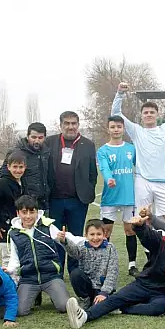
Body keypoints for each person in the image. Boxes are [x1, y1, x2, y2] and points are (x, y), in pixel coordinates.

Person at [66, 206, 165, 327]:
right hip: (144, 283)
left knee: (158, 308)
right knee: (117, 298)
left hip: (164, 292)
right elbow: (148, 237)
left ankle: (122, 309)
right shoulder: (163, 237)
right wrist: (140, 227)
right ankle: (85, 316)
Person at [111, 82, 165, 226]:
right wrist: (120, 94)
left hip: (162, 183)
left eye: (152, 112)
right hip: (142, 182)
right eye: (146, 112)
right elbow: (116, 114)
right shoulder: (136, 131)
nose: (149, 115)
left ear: (157, 114)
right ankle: (149, 249)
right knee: (143, 221)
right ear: (141, 116)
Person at [6, 195, 82, 316]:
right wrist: (9, 270)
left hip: (51, 276)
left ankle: (56, 293)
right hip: (28, 279)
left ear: (37, 212)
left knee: (64, 306)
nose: (28, 216)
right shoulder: (14, 233)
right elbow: (14, 258)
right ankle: (34, 295)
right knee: (20, 311)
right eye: (24, 212)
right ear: (18, 213)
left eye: (32, 212)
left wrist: (87, 240)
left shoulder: (47, 226)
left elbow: (66, 236)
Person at [46, 111, 98, 276]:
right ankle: (57, 272)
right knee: (56, 237)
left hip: (77, 201)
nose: (70, 126)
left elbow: (92, 173)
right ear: (60, 125)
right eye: (67, 123)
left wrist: (87, 190)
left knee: (75, 238)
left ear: (78, 124)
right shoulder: (50, 142)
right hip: (54, 200)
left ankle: (75, 272)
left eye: (73, 123)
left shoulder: (88, 145)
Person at [96, 116, 138, 276]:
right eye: (113, 127)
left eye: (119, 127)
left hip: (128, 197)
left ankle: (132, 265)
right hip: (110, 198)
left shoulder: (131, 149)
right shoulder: (103, 151)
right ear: (108, 129)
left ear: (123, 128)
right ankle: (105, 264)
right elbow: (105, 168)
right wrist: (109, 179)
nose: (116, 129)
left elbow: (140, 166)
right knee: (106, 232)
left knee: (130, 230)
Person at [56, 219, 119, 310]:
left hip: (102, 288)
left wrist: (104, 292)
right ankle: (85, 299)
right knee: (75, 273)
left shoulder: (110, 248)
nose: (95, 238)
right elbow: (73, 252)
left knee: (101, 307)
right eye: (92, 234)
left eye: (99, 234)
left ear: (104, 235)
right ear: (86, 235)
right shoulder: (83, 247)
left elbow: (112, 272)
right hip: (88, 286)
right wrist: (64, 241)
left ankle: (101, 300)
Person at [0, 150, 26, 274]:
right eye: (15, 167)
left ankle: (21, 283)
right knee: (7, 258)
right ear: (8, 167)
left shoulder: (23, 182)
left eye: (21, 167)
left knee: (20, 256)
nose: (18, 170)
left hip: (19, 225)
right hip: (4, 227)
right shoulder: (2, 183)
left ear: (25, 167)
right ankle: (10, 285)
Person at [0, 122, 50, 210]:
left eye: (40, 138)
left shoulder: (46, 152)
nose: (36, 141)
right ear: (27, 136)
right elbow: (1, 175)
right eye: (33, 137)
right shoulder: (16, 152)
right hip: (24, 206)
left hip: (44, 204)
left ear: (44, 138)